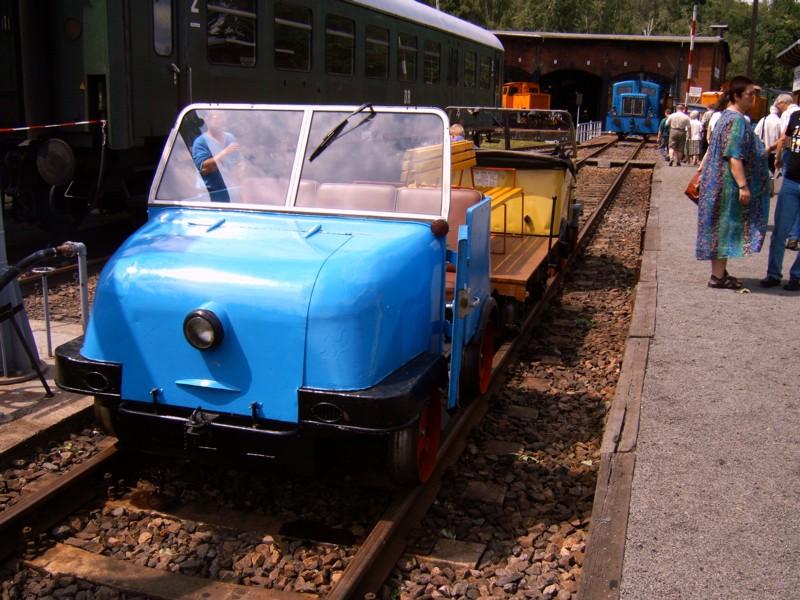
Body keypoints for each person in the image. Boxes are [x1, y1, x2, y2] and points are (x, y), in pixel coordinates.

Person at [696, 76, 770, 290]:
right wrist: (743, 185)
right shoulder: (736, 120)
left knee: (720, 227)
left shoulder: (724, 118)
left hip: (718, 184)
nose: (753, 98)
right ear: (736, 96)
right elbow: (734, 155)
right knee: (725, 227)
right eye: (750, 94)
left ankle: (719, 272)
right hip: (727, 186)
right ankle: (717, 277)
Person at [759, 100, 800, 291]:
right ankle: (773, 273)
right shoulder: (795, 117)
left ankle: (797, 276)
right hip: (791, 180)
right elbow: (786, 139)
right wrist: (776, 155)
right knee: (779, 231)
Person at [192, 110, 244, 202]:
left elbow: (239, 160)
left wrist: (240, 172)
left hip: (231, 191)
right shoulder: (200, 142)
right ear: (207, 120)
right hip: (210, 195)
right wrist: (225, 152)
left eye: (222, 117)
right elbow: (204, 169)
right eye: (217, 118)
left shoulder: (230, 137)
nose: (221, 121)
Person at [773, 94, 800, 250]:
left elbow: (783, 138)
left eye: (779, 104)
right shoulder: (795, 113)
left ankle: (786, 233)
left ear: (784, 103)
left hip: (792, 156)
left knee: (788, 200)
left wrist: (778, 156)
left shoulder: (789, 114)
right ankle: (794, 236)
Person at [754, 104, 782, 176]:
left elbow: (755, 133)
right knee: (771, 172)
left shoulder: (763, 119)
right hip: (774, 152)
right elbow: (781, 138)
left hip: (763, 149)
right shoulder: (779, 122)